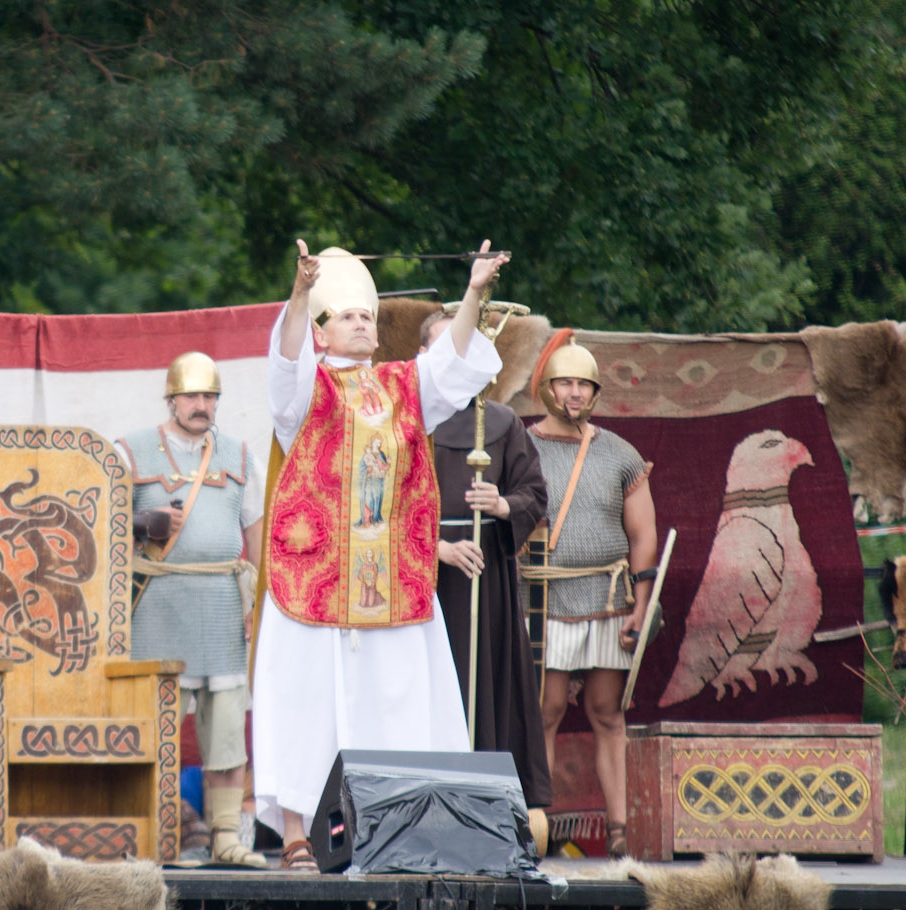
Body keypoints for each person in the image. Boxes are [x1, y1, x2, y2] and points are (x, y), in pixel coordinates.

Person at [252, 239, 508, 871]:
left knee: (400, 709)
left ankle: (402, 834)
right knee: (304, 705)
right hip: (313, 579)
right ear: (322, 331)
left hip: (391, 580)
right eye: (348, 316)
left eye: (367, 316)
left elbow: (451, 361)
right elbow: (284, 359)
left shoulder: (402, 386)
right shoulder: (305, 390)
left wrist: (473, 293)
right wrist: (299, 295)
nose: (364, 324)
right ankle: (296, 836)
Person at [118, 352, 267, 868]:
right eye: (191, 396)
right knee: (154, 731)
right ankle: (156, 835)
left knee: (226, 734)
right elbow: (101, 525)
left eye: (209, 396)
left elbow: (257, 538)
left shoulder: (239, 456)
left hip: (222, 606)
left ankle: (226, 835)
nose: (201, 405)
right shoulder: (130, 452)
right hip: (158, 607)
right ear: (171, 399)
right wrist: (142, 522)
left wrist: (258, 604)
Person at [525, 329, 657, 859]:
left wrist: (642, 606)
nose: (575, 393)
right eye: (565, 383)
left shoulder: (620, 454)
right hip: (545, 599)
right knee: (546, 709)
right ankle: (537, 825)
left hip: (607, 599)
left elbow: (643, 536)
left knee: (607, 711)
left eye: (584, 385)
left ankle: (620, 830)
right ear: (547, 388)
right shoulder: (522, 447)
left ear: (595, 391)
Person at [423, 311, 553, 814]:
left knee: (486, 685)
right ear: (423, 357)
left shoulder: (500, 422)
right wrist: (435, 546)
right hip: (423, 582)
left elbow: (533, 494)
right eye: (445, 348)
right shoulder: (406, 421)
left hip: (485, 577)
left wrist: (501, 505)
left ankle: (488, 806)